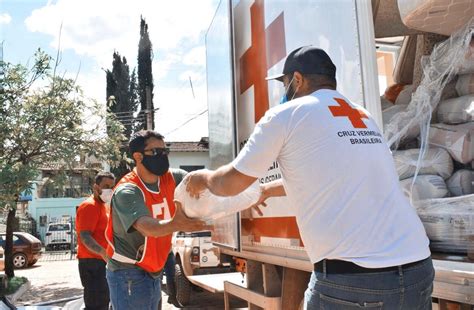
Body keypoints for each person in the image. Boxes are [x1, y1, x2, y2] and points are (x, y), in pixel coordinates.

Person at [185, 46, 434, 309]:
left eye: (284, 83)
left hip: (356, 278)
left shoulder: (286, 116)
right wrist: (268, 190)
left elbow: (230, 183)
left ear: (298, 79)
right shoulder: (362, 116)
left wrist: (203, 177)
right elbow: (333, 176)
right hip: (417, 266)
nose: (284, 92)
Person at [104, 130, 210, 310]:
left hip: (153, 271)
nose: (162, 156)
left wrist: (237, 190)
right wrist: (175, 224)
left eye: (164, 151)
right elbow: (146, 227)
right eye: (155, 152)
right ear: (138, 156)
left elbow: (198, 179)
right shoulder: (127, 190)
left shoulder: (171, 178)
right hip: (129, 273)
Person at [76, 171, 115, 310]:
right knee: (96, 304)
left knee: (104, 301)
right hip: (92, 262)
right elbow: (85, 236)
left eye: (111, 186)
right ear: (96, 187)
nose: (109, 190)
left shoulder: (104, 206)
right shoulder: (89, 206)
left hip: (101, 261)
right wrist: (103, 253)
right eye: (105, 186)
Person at [162, 167, 188, 307]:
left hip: (167, 246)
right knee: (157, 277)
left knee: (171, 273)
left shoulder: (173, 204)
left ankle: (172, 297)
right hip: (157, 247)